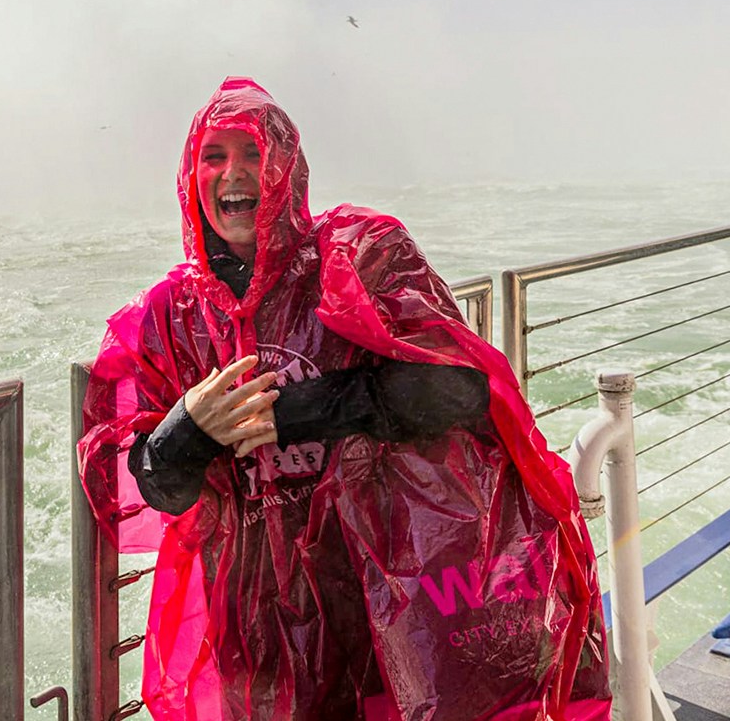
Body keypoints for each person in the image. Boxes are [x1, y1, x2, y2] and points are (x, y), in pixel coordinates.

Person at [78, 78, 610, 720]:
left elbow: (466, 390)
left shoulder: (358, 258)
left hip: (379, 594)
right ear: (191, 178)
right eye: (213, 157)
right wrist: (185, 430)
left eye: (252, 153)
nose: (233, 174)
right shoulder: (168, 317)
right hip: (256, 624)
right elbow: (131, 482)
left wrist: (298, 411)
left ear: (288, 169)